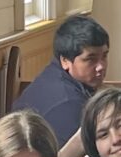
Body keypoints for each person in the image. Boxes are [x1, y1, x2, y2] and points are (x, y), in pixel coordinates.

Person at [15, 14, 111, 148]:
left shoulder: (52, 75)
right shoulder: (69, 103)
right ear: (65, 60)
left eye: (104, 56)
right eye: (91, 59)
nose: (101, 66)